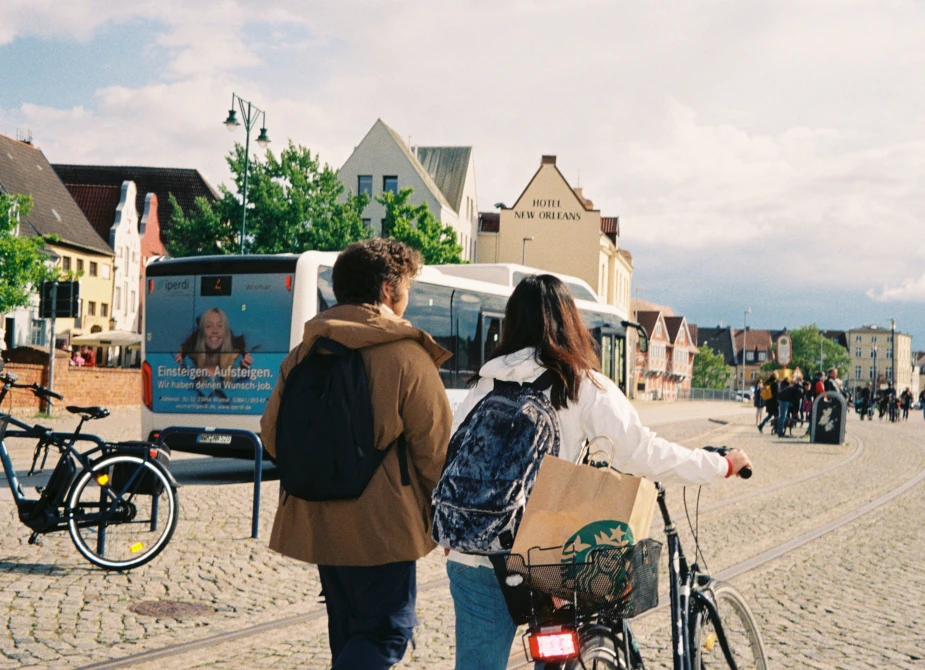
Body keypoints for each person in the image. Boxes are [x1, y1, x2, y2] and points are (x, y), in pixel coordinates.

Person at [442, 275, 752, 670]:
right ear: (570, 322)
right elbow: (643, 452)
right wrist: (721, 464)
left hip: (473, 554)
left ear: (511, 323)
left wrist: (454, 530)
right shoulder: (581, 384)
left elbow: (451, 455)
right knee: (570, 640)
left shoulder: (485, 383)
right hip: (544, 558)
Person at [260, 239, 453, 669]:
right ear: (387, 288)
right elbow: (435, 451)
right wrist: (446, 521)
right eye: (406, 286)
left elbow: (271, 435)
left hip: (318, 521)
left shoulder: (305, 351)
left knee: (347, 632)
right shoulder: (406, 355)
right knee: (386, 632)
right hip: (383, 529)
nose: (408, 296)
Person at [175, 307, 253, 385]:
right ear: (201, 333)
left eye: (220, 326)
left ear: (226, 333)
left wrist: (245, 367)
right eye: (209, 326)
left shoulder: (241, 366)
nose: (215, 331)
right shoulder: (186, 366)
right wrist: (182, 351)